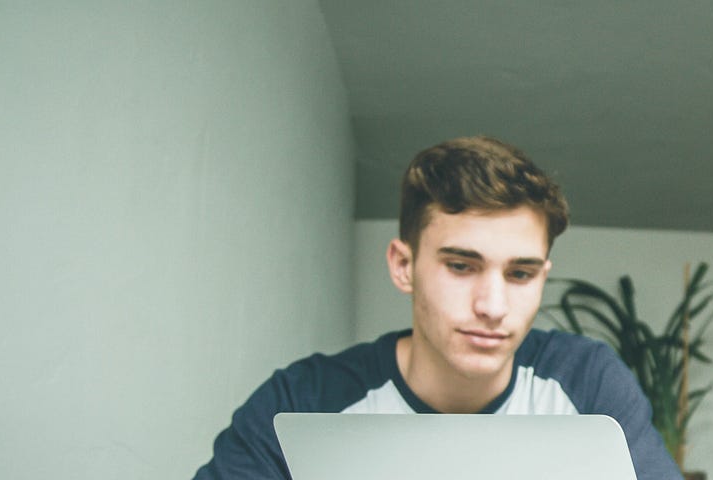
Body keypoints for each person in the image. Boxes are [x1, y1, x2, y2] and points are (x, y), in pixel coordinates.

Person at [193, 136, 682, 479]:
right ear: (403, 265)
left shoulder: (586, 382)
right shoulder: (303, 401)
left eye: (520, 274)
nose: (493, 306)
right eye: (461, 266)